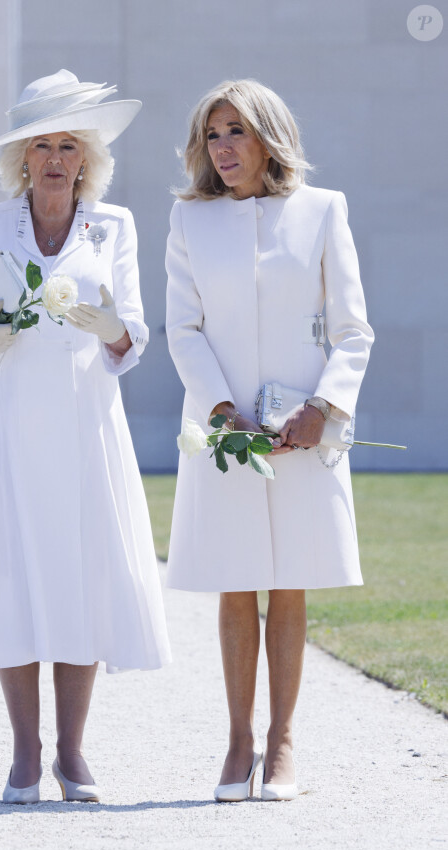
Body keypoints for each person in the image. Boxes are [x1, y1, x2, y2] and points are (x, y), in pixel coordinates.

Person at [0, 69, 171, 804]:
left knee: (81, 584)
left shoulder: (115, 225)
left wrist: (112, 329)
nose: (57, 158)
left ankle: (72, 752)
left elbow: (135, 335)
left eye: (70, 145)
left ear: (86, 158)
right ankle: (24, 754)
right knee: (12, 581)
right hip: (5, 430)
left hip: (83, 428)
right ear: (23, 158)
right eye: (44, 145)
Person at [165, 79, 374, 802]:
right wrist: (221, 409)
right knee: (234, 580)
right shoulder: (190, 221)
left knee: (289, 583)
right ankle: (237, 741)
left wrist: (325, 406)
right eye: (213, 134)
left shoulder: (321, 211)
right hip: (227, 433)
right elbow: (184, 330)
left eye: (237, 132)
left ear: (269, 137)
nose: (223, 147)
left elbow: (353, 329)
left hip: (301, 434)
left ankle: (283, 740)